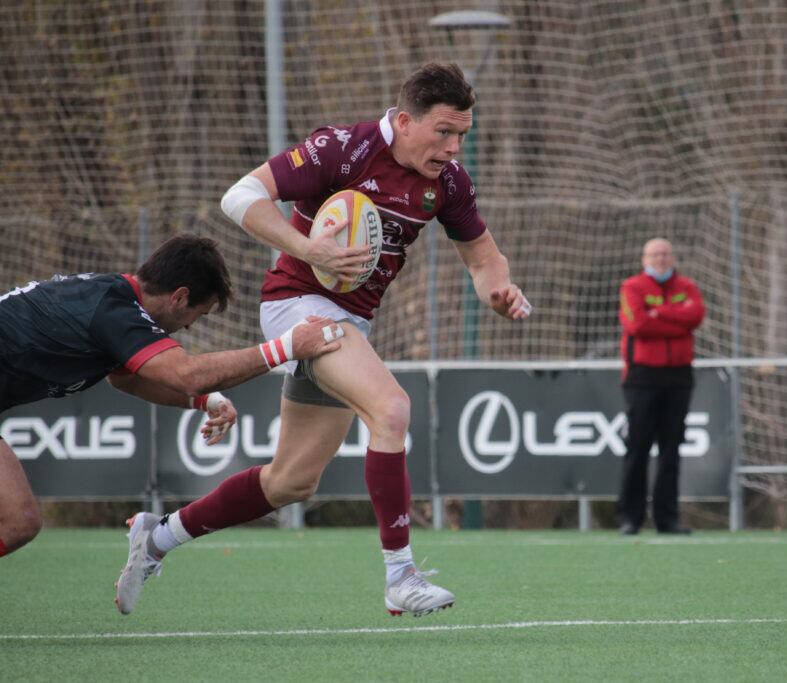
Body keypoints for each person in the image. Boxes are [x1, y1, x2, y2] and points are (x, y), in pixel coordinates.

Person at [114, 62, 532, 619]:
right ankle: (400, 576)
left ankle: (157, 536)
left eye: (463, 134)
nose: (454, 146)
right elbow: (239, 197)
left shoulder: (448, 181)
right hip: (297, 307)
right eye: (444, 132)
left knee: (291, 481)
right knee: (391, 410)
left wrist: (498, 290)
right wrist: (308, 248)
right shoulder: (343, 149)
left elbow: (483, 258)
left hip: (350, 325)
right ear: (404, 121)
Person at [0, 234, 344, 646]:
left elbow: (128, 382)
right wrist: (286, 346)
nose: (189, 327)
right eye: (197, 315)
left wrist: (201, 402)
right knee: (15, 518)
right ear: (179, 297)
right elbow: (183, 372)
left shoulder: (109, 297)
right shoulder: (115, 311)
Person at [616, 238, 705, 535]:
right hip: (642, 378)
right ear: (645, 258)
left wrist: (660, 312)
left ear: (673, 256)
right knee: (638, 447)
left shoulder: (688, 287)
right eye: (655, 254)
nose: (661, 259)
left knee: (671, 449)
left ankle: (667, 519)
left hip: (679, 377)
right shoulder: (632, 287)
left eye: (666, 253)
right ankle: (631, 517)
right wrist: (674, 319)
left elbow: (695, 316)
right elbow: (638, 326)